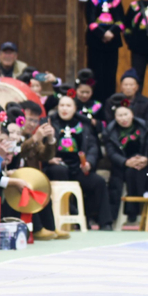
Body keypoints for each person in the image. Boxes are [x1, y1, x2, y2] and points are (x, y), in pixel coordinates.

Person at [45, 94, 113, 230]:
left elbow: (93, 147)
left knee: (98, 182)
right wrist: (48, 158)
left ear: (75, 108)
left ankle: (105, 222)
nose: (64, 109)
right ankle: (75, 215)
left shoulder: (84, 123)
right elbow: (41, 146)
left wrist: (89, 163)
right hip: (57, 166)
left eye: (68, 105)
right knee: (60, 171)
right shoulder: (49, 122)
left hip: (78, 167)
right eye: (62, 105)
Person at [104, 93, 148, 229]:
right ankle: (130, 212)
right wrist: (126, 162)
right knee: (129, 174)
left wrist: (146, 159)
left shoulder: (144, 127)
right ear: (115, 117)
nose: (123, 118)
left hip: (144, 163)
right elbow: (111, 153)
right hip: (122, 166)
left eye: (126, 114)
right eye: (119, 115)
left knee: (143, 173)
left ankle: (143, 211)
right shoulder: (110, 132)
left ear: (132, 114)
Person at [17, 100, 68, 240]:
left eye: (35, 121)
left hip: (32, 177)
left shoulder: (32, 137)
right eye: (29, 119)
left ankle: (50, 227)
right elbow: (19, 151)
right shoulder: (14, 134)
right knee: (31, 189)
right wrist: (35, 138)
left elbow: (46, 155)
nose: (32, 124)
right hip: (17, 178)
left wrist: (50, 139)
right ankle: (37, 228)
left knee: (43, 189)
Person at [85, 0, 125, 102]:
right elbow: (91, 21)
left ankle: (109, 103)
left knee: (110, 74)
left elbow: (121, 21)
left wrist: (111, 33)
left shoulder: (116, 1)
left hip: (112, 43)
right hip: (96, 43)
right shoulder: (92, 0)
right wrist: (103, 34)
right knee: (95, 74)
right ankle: (95, 103)